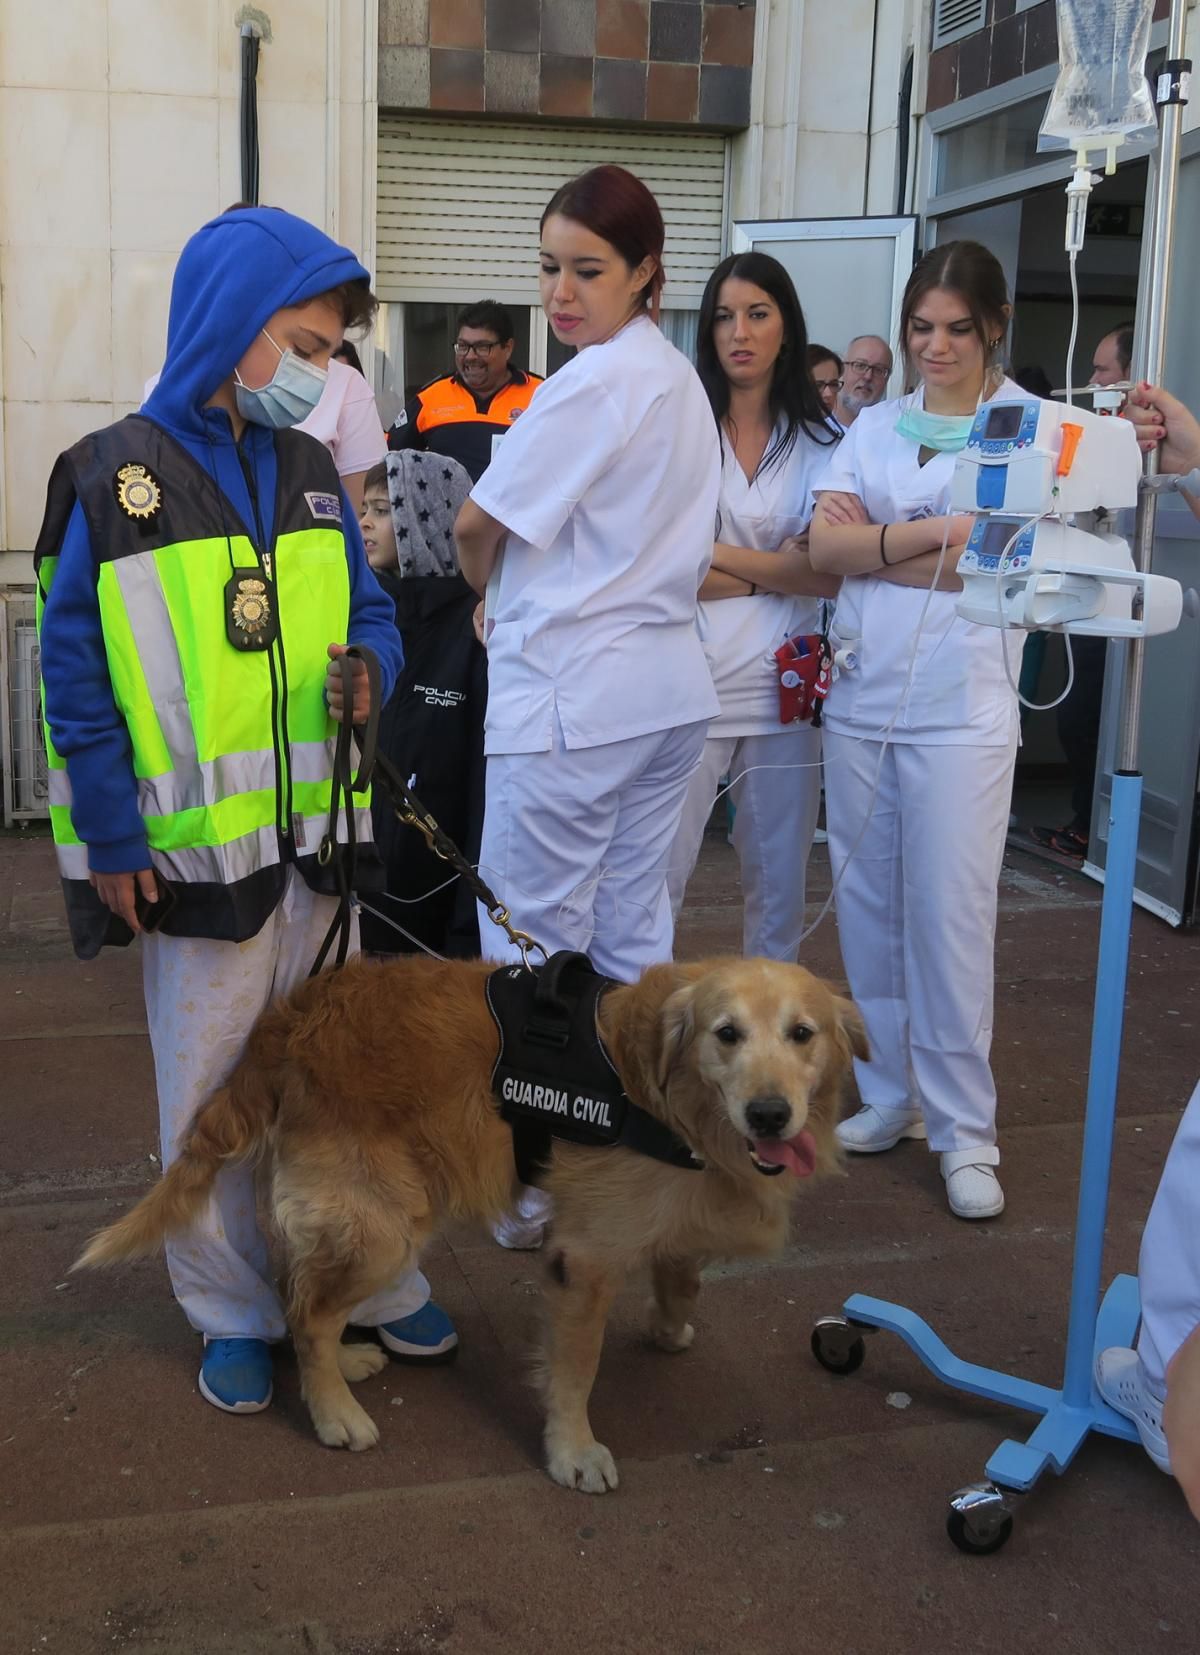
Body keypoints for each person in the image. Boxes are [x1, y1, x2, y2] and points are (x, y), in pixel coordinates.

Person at [35, 207, 457, 1416]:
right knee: (213, 1094)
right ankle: (230, 1308)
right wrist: (111, 837)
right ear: (229, 330)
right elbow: (75, 678)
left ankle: (369, 1281)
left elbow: (367, 607)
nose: (322, 375)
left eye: (333, 352)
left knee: (351, 1084)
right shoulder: (110, 478)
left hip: (324, 855)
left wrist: (368, 663)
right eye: (306, 345)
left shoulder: (312, 471)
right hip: (195, 862)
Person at [455, 163, 721, 1249]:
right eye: (550, 268)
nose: (562, 293)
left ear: (645, 272)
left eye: (588, 270)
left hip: (576, 702)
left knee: (531, 951)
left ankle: (530, 1185)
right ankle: (630, 1144)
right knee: (631, 941)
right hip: (663, 694)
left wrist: (489, 598)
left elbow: (480, 525)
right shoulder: (676, 379)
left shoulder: (593, 381)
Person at [809, 239, 1028, 1222]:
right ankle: (892, 1093)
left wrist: (880, 546)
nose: (935, 346)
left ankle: (963, 1127)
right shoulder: (875, 426)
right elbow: (825, 545)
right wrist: (935, 536)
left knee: (947, 917)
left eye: (956, 329)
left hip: (961, 709)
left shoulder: (1023, 429)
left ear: (992, 330)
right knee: (870, 905)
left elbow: (1000, 564)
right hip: (861, 701)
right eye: (921, 328)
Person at [666, 255, 840, 960]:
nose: (738, 332)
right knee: (657, 879)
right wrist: (781, 571)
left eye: (758, 313)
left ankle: (774, 1062)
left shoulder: (825, 442)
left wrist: (715, 553)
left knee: (777, 887)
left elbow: (829, 571)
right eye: (722, 316)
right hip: (684, 680)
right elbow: (666, 570)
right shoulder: (677, 431)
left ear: (787, 328)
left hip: (785, 688)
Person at [357, 452, 487, 958]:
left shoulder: (473, 631)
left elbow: (481, 790)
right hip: (358, 901)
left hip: (437, 914)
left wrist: (466, 925)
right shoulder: (363, 622)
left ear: (431, 516)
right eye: (364, 508)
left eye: (385, 509)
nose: (365, 521)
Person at [1030, 318, 1137, 862]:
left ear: (1132, 379)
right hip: (1086, 595)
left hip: (1127, 601)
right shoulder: (1091, 436)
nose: (1090, 381)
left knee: (1093, 720)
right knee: (1077, 717)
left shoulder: (1142, 447)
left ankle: (1094, 829)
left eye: (1101, 370)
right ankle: (1085, 820)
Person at [388, 300, 543, 483]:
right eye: (463, 346)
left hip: (517, 510)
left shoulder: (541, 395)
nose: (470, 356)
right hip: (447, 511)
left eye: (482, 347)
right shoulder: (431, 397)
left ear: (507, 348)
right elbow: (390, 456)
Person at [833, 334, 893, 429]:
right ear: (841, 370)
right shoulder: (811, 430)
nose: (868, 377)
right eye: (860, 366)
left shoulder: (890, 434)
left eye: (879, 370)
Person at [807, 343, 844, 420]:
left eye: (834, 384)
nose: (828, 394)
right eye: (818, 385)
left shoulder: (843, 431)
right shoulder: (778, 429)